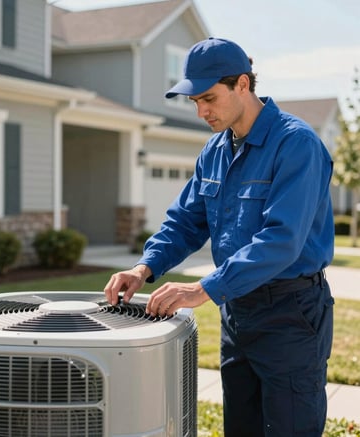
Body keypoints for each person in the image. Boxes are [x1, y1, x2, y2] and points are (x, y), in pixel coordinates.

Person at [104, 37, 335, 436]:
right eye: (195, 102)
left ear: (243, 84)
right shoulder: (214, 150)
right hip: (238, 315)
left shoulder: (296, 144)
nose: (202, 111)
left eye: (209, 98)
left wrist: (203, 289)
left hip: (290, 314)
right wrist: (145, 266)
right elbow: (185, 222)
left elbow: (281, 239)